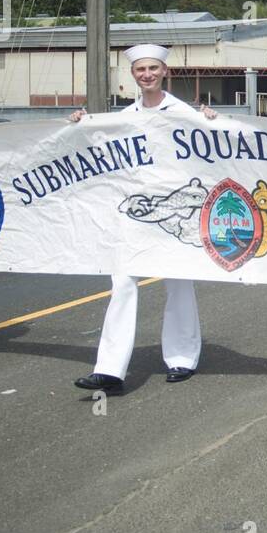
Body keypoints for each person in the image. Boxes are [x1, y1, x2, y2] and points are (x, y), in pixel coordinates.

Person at [69, 44, 218, 395]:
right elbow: (95, 145)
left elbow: (214, 149)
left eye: (153, 69)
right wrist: (79, 123)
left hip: (178, 211)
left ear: (164, 71)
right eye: (140, 70)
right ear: (133, 75)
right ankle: (109, 370)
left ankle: (182, 357)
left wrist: (213, 120)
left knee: (179, 283)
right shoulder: (125, 116)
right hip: (138, 214)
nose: (147, 75)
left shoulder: (184, 112)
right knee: (122, 282)